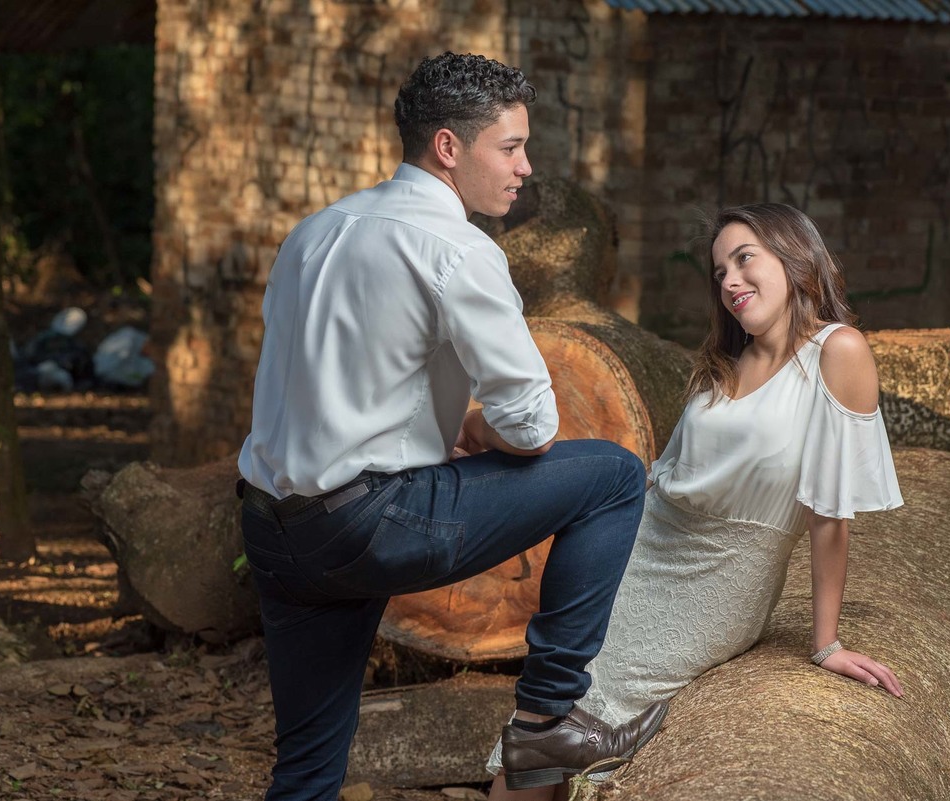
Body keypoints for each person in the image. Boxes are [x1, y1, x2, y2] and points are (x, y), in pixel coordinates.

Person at [236, 52, 667, 801]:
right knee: (611, 476)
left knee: (305, 772)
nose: (525, 167)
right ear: (448, 147)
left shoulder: (314, 232)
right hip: (373, 520)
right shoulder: (458, 249)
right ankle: (543, 720)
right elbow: (531, 424)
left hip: (274, 528)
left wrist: (458, 422)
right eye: (509, 147)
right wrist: (480, 427)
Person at [486, 202, 906, 800]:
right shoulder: (724, 360)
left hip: (719, 578)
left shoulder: (838, 353)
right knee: (545, 714)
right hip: (637, 549)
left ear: (794, 255)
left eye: (744, 259)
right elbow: (665, 478)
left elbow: (829, 516)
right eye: (719, 272)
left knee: (579, 713)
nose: (730, 281)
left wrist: (826, 644)